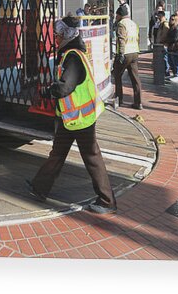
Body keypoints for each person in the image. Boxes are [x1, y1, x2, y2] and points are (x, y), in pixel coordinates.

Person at [27, 18, 117, 214]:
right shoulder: (72, 54)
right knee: (57, 154)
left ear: (65, 36)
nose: (55, 39)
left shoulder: (73, 57)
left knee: (92, 157)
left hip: (80, 119)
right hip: (70, 118)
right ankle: (39, 188)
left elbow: (65, 87)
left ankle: (107, 201)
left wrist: (47, 91)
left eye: (57, 36)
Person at [113, 6, 142, 110]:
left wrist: (120, 54)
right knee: (135, 78)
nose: (115, 17)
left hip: (125, 53)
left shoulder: (121, 24)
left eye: (117, 15)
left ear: (120, 15)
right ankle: (138, 103)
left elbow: (121, 39)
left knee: (117, 75)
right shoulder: (133, 23)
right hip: (134, 52)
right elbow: (138, 38)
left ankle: (119, 100)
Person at [166, 13, 178, 81]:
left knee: (176, 62)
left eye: (172, 19)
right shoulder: (171, 28)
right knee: (170, 61)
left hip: (176, 47)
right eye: (170, 19)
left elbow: (175, 38)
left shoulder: (177, 28)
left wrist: (167, 41)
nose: (170, 20)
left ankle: (177, 75)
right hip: (170, 47)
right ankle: (174, 74)